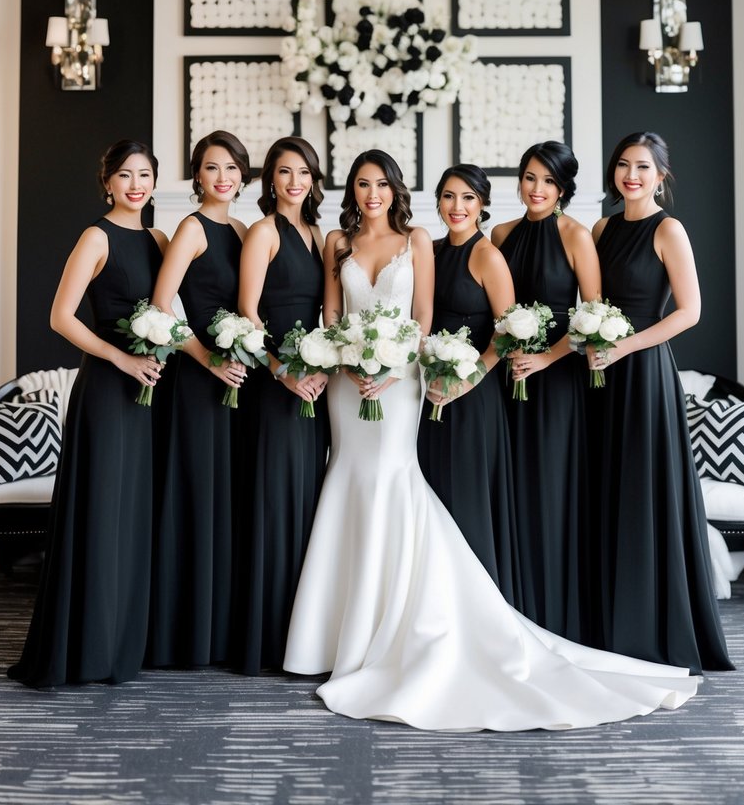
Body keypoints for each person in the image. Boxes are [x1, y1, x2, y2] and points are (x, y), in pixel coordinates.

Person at [283, 151, 699, 732]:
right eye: (362, 183)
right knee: (353, 484)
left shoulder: (452, 244)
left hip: (421, 386)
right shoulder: (346, 241)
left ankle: (426, 623)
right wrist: (341, 359)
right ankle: (336, 631)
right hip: (359, 388)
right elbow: (336, 313)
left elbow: (435, 320)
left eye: (468, 198)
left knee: (402, 489)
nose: (457, 207)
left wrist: (437, 372)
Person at [9, 140, 167, 687]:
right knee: (101, 515)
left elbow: (175, 311)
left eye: (144, 175)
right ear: (107, 182)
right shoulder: (96, 237)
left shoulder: (159, 238)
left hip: (148, 395)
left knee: (132, 519)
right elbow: (61, 316)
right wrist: (121, 357)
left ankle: (120, 646)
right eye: (125, 175)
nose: (135, 184)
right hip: (106, 389)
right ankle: (85, 649)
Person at [590, 131, 732, 672]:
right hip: (599, 377)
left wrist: (623, 345)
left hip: (643, 373)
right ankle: (607, 622)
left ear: (661, 176)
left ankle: (651, 628)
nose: (631, 175)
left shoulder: (668, 229)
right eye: (624, 165)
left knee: (643, 494)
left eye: (643, 167)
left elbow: (689, 311)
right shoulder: (602, 228)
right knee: (605, 492)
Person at [147, 130, 250, 668]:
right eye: (212, 168)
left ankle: (220, 629)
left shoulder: (241, 228)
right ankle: (182, 634)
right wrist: (207, 358)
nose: (223, 177)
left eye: (232, 167)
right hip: (198, 380)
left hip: (236, 380)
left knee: (226, 500)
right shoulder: (192, 227)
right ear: (196, 176)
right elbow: (162, 304)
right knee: (195, 497)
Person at [491, 141, 600, 641]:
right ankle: (515, 609)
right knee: (512, 490)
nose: (537, 189)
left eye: (548, 182)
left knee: (551, 490)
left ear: (563, 188)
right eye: (530, 178)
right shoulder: (500, 233)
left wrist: (546, 358)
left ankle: (559, 615)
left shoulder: (577, 236)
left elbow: (594, 321)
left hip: (557, 381)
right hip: (506, 374)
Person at [232, 137, 330, 674]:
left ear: (315, 179)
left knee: (305, 503)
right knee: (272, 504)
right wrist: (282, 372)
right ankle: (262, 640)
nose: (295, 181)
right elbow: (248, 312)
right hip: (274, 386)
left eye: (304, 172)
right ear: (270, 179)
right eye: (285, 172)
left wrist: (317, 367)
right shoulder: (263, 232)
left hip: (311, 380)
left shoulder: (318, 234)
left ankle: (301, 634)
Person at [417, 165, 517, 600]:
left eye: (468, 198)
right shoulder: (432, 251)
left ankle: (478, 607)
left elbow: (508, 330)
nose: (457, 207)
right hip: (430, 395)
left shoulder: (487, 255)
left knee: (467, 500)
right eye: (449, 197)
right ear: (438, 201)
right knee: (432, 499)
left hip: (474, 397)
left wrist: (468, 379)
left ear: (482, 204)